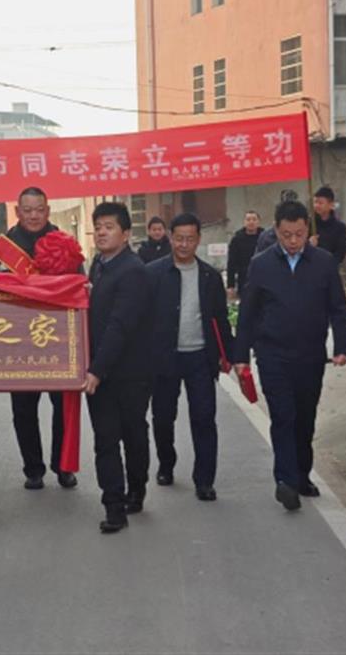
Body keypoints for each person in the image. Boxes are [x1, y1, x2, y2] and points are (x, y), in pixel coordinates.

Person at [234, 200, 346, 512]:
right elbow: (248, 313)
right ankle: (285, 481)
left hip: (310, 354)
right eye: (287, 235)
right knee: (283, 416)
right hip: (272, 354)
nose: (294, 241)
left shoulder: (323, 263)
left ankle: (301, 474)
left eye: (299, 234)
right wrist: (240, 354)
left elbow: (338, 308)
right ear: (276, 230)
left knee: (304, 417)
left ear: (306, 230)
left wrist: (342, 347)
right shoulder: (261, 265)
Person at [145, 212, 234, 501]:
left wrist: (230, 355)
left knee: (204, 418)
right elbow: (142, 319)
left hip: (200, 357)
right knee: (162, 417)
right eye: (179, 238)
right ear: (170, 238)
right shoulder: (153, 274)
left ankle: (204, 479)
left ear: (198, 240)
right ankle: (166, 463)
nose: (184, 244)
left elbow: (220, 319)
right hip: (164, 357)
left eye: (190, 239)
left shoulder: (209, 277)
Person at [0, 186, 78, 490]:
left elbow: (79, 286)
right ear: (18, 212)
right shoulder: (3, 248)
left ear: (48, 210)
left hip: (58, 338)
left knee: (62, 408)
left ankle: (63, 466)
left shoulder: (64, 242)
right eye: (27, 210)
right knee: (23, 409)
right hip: (17, 341)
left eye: (39, 209)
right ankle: (33, 469)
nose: (33, 215)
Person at [85, 201, 153, 533]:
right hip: (99, 373)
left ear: (125, 234)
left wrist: (96, 370)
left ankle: (136, 488)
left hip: (130, 373)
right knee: (105, 439)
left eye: (109, 227)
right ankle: (113, 506)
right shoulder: (97, 265)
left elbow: (120, 326)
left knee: (133, 434)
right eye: (98, 227)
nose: (101, 232)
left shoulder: (133, 271)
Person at [226, 210, 263, 298]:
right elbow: (231, 263)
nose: (251, 222)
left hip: (263, 278)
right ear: (244, 222)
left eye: (254, 219)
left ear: (258, 222)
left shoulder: (265, 238)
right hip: (244, 279)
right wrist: (230, 285)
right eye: (248, 219)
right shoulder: (237, 239)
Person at [310, 186, 346, 266]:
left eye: (320, 203)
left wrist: (329, 264)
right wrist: (309, 244)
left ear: (331, 205)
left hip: (330, 267)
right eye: (315, 202)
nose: (316, 205)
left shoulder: (340, 228)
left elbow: (341, 253)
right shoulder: (308, 224)